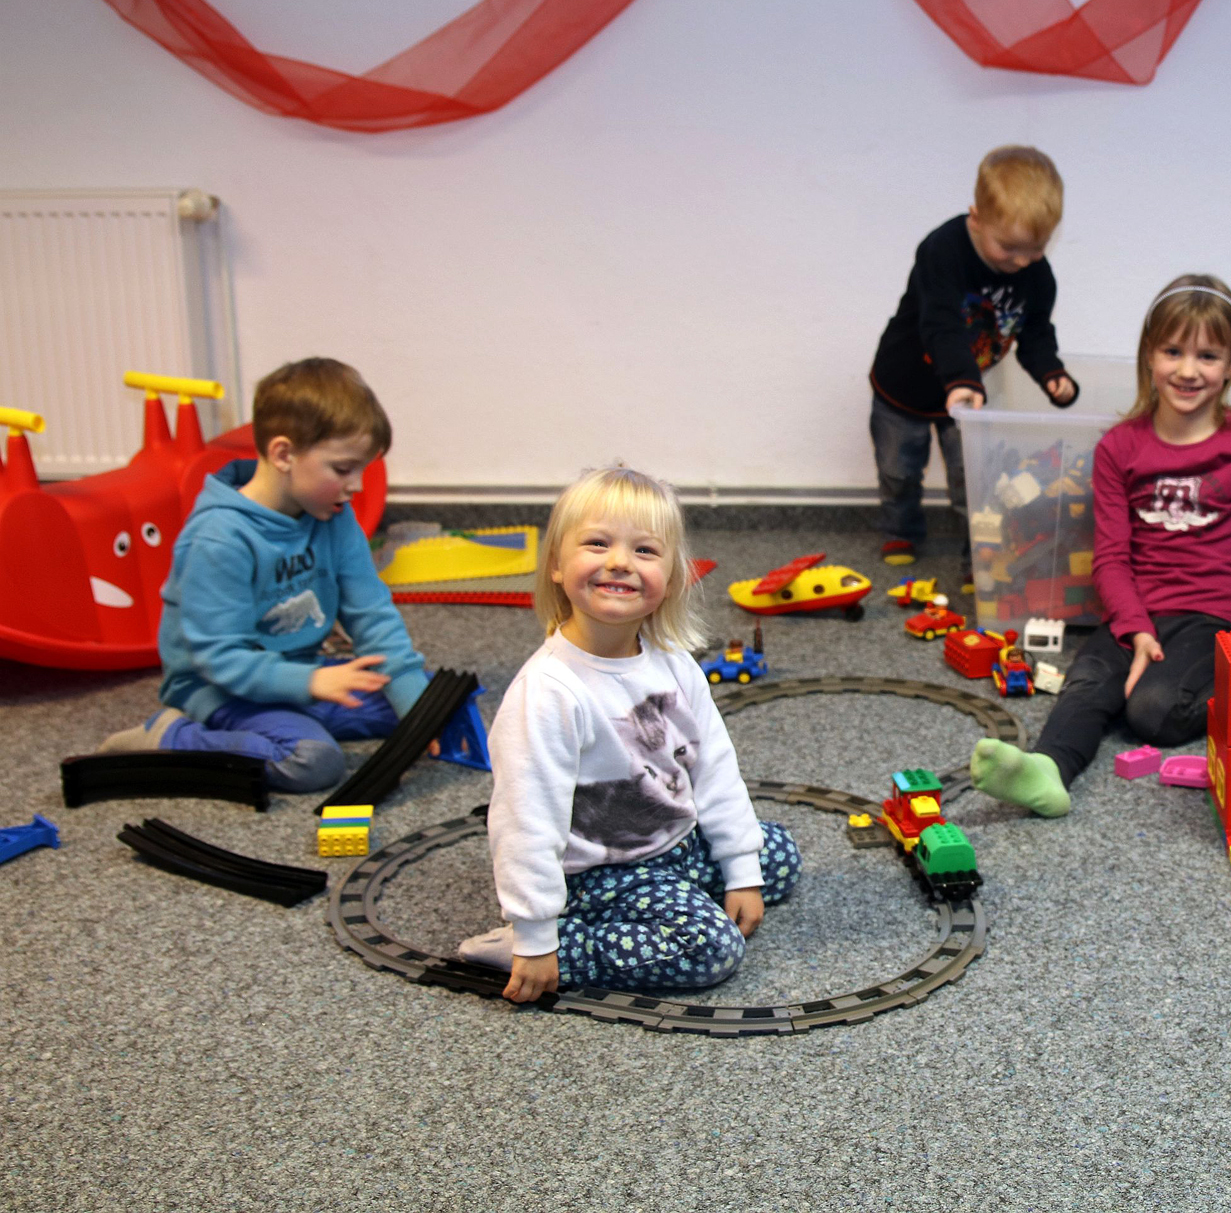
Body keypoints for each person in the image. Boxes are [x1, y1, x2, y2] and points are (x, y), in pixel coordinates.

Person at [458, 467, 799, 1004]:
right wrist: (535, 934)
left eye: (645, 551)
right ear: (555, 565)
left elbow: (713, 768)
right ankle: (566, 944)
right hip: (604, 871)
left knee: (776, 854)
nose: (619, 561)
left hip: (676, 842)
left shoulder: (674, 664)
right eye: (597, 543)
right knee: (711, 950)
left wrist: (741, 868)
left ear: (673, 578)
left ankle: (688, 892)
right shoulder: (548, 692)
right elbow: (525, 820)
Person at [968, 274, 1231, 816]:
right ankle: (1048, 770)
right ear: (1149, 355)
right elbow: (1112, 556)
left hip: (1217, 617)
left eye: (1208, 356)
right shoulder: (1120, 447)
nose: (1188, 371)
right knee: (1087, 680)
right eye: (1173, 351)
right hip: (1139, 610)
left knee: (1153, 713)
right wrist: (1136, 628)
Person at [98, 358, 430, 791]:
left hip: (297, 669)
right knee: (313, 761)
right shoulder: (218, 539)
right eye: (343, 469)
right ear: (283, 454)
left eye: (362, 469)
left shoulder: (333, 515)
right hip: (217, 686)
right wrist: (311, 681)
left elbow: (371, 614)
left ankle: (300, 712)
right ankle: (173, 737)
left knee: (436, 698)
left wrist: (423, 714)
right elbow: (219, 658)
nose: (358, 486)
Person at [869, 145, 1081, 580]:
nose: (1021, 262)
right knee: (899, 469)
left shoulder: (1037, 277)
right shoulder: (942, 251)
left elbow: (1035, 332)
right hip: (905, 383)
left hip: (968, 397)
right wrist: (963, 379)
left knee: (976, 480)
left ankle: (980, 555)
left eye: (1035, 250)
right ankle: (901, 530)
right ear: (976, 217)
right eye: (1009, 247)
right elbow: (941, 322)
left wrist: (1052, 373)